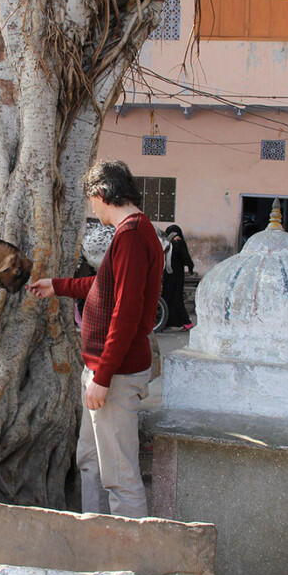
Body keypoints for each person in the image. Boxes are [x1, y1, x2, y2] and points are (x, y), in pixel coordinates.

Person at [27, 160, 164, 518]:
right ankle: (95, 536)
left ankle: (129, 560)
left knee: (119, 475)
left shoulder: (133, 235)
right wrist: (56, 286)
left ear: (102, 194)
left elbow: (126, 311)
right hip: (101, 370)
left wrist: (102, 377)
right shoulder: (127, 233)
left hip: (114, 375)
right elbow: (102, 286)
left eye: (92, 201)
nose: (92, 208)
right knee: (90, 460)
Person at [162, 223, 195, 330]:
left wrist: (190, 268)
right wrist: (190, 268)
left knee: (172, 298)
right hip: (173, 275)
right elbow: (186, 258)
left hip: (172, 275)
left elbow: (185, 257)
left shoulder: (172, 243)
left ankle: (185, 322)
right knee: (171, 297)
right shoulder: (173, 243)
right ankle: (168, 321)